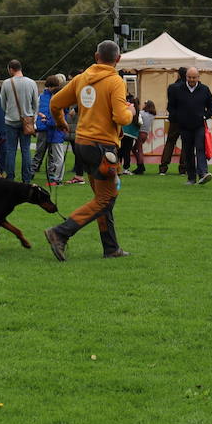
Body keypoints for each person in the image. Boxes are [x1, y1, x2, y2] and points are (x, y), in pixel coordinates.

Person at [43, 40, 134, 260]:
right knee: (105, 198)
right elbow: (121, 117)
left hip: (82, 144)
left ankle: (111, 248)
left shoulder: (81, 79)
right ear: (118, 59)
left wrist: (61, 122)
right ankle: (60, 233)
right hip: (103, 147)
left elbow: (55, 102)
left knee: (103, 197)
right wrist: (130, 111)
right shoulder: (115, 81)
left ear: (96, 56)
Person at [167, 66, 212, 185]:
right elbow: (171, 107)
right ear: (186, 77)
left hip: (199, 125)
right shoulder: (177, 89)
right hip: (184, 126)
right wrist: (177, 118)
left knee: (200, 148)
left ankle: (203, 173)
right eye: (189, 77)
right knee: (188, 152)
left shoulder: (204, 89)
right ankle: (191, 178)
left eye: (194, 77)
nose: (192, 80)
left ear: (198, 77)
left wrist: (205, 116)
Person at [0, 59, 39, 183]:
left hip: (10, 121)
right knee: (26, 150)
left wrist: (8, 112)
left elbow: (3, 104)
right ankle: (26, 179)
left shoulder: (6, 83)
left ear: (11, 69)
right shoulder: (31, 82)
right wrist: (32, 118)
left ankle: (10, 178)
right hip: (26, 122)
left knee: (11, 150)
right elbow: (35, 103)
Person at [32, 75, 69, 185]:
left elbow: (56, 119)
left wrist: (46, 120)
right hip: (50, 130)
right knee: (42, 153)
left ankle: (56, 178)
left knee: (56, 157)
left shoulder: (58, 101)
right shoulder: (43, 97)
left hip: (55, 132)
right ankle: (54, 177)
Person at [158, 67, 189, 176]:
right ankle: (183, 168)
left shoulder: (172, 87)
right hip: (186, 119)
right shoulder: (188, 87)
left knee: (170, 142)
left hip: (174, 119)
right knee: (186, 144)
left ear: (178, 75)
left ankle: (163, 167)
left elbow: (170, 105)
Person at [118, 95, 142, 174]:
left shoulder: (126, 108)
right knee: (127, 152)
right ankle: (126, 169)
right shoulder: (137, 111)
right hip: (131, 134)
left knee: (120, 151)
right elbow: (140, 122)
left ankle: (118, 168)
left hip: (123, 132)